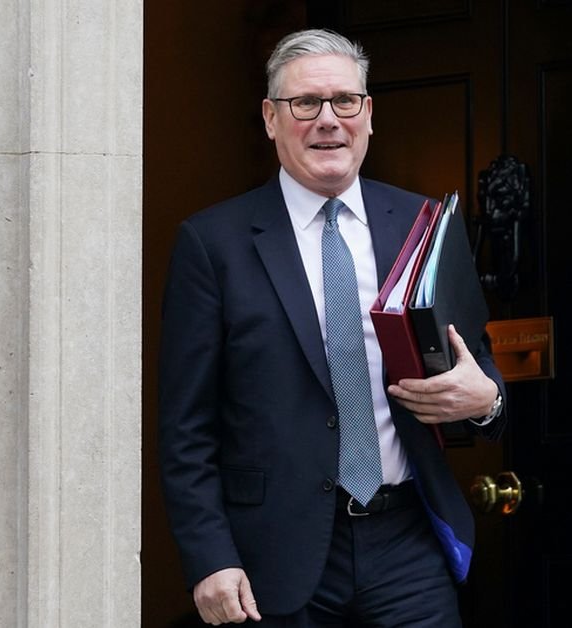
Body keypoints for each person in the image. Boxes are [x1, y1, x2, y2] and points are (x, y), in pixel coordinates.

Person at [158, 28, 506, 627]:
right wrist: (210, 558)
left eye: (344, 101)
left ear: (368, 114)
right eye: (305, 103)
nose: (328, 120)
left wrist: (487, 401)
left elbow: (476, 364)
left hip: (407, 545)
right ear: (271, 119)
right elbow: (185, 427)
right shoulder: (213, 244)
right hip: (274, 558)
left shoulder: (422, 221)